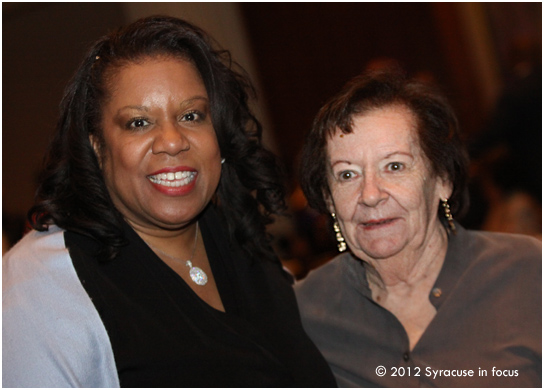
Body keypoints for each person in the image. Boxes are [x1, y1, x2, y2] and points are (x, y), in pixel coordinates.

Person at [3, 16, 336, 388]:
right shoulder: (44, 281)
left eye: (191, 115)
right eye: (139, 123)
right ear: (97, 148)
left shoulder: (243, 242)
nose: (173, 140)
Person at [295, 68, 541, 387]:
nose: (370, 194)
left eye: (394, 166)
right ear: (328, 199)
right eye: (347, 175)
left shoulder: (529, 273)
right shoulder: (303, 313)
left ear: (442, 180)